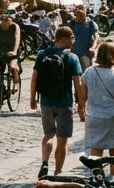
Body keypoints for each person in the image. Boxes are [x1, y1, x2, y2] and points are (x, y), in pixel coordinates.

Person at [29, 26, 85, 179]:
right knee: (62, 139)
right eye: (71, 38)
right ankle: (58, 172)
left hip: (46, 101)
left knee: (48, 134)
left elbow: (34, 78)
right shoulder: (72, 58)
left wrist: (32, 98)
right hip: (64, 102)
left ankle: (45, 162)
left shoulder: (42, 55)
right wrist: (81, 105)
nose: (73, 41)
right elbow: (78, 83)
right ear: (64, 38)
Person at [82, 43, 114, 175]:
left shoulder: (89, 72)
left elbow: (83, 96)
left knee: (96, 149)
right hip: (112, 117)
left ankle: (98, 178)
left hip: (93, 115)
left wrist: (81, 110)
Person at [67, 5, 99, 69]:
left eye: (81, 15)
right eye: (77, 15)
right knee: (77, 73)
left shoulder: (90, 23)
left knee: (87, 71)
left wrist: (93, 47)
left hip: (86, 52)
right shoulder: (72, 23)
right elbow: (68, 36)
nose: (79, 18)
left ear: (85, 13)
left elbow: (96, 37)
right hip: (74, 52)